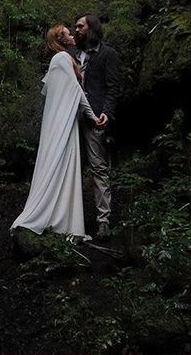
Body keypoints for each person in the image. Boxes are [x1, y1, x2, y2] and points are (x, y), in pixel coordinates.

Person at [11, 25, 100, 238]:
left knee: (64, 163)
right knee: (60, 161)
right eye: (69, 33)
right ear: (61, 39)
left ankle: (63, 223)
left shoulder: (59, 61)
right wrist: (93, 116)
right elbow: (76, 91)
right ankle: (46, 217)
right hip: (63, 121)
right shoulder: (61, 58)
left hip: (63, 120)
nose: (72, 35)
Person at [73, 14, 120, 240]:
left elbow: (113, 87)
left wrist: (106, 113)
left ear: (91, 28)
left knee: (98, 167)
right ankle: (67, 220)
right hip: (71, 118)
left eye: (80, 26)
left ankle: (103, 221)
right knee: (69, 165)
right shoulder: (72, 55)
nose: (76, 29)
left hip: (95, 118)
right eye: (75, 26)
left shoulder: (108, 54)